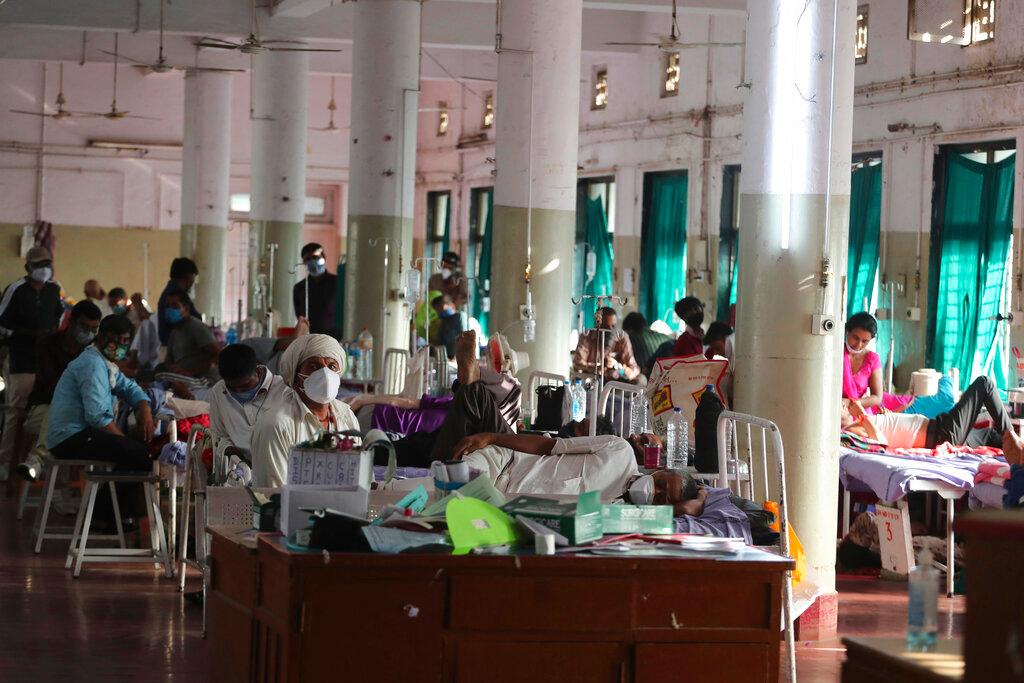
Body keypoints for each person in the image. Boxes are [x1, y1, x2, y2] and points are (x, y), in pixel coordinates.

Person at [452, 426, 707, 514]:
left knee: (453, 512)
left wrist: (699, 499)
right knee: (451, 486)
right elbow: (548, 445)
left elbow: (684, 510)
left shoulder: (619, 515)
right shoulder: (619, 451)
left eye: (662, 499)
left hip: (502, 505)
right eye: (661, 482)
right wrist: (492, 438)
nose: (655, 491)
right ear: (657, 470)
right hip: (503, 464)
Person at [46, 315, 154, 523]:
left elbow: (129, 387)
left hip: (82, 434)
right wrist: (123, 441)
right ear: (102, 337)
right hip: (70, 437)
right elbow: (97, 417)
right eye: (116, 341)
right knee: (138, 455)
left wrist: (144, 407)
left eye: (125, 342)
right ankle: (101, 515)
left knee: (137, 451)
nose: (120, 347)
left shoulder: (106, 363)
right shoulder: (92, 365)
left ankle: (114, 517)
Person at [250, 334, 360, 487]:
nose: (325, 374)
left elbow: (358, 479)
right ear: (294, 378)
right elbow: (273, 494)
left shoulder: (346, 416)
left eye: (331, 366)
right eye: (314, 367)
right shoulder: (276, 424)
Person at [17, 300, 103, 482]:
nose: (89, 333)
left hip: (77, 418)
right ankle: (59, 491)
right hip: (41, 410)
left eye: (94, 329)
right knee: (60, 411)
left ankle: (39, 458)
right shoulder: (48, 345)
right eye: (84, 327)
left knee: (67, 421)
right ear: (71, 322)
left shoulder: (94, 350)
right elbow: (54, 386)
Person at [0, 246, 65, 481]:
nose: (44, 269)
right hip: (21, 360)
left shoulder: (54, 289)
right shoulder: (16, 290)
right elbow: (2, 322)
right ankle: (6, 463)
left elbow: (59, 318)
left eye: (47, 264)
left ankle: (35, 460)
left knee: (46, 410)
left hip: (46, 362)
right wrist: (27, 334)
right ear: (28, 267)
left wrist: (49, 334)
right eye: (39, 265)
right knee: (15, 412)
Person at [842, 375, 1022, 450]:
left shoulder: (861, 422)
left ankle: (1018, 454)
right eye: (842, 407)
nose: (846, 405)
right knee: (984, 384)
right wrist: (862, 416)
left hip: (941, 430)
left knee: (990, 436)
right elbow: (880, 443)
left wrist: (888, 415)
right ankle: (1013, 441)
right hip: (940, 434)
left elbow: (893, 430)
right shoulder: (850, 431)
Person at [209, 344, 286, 465]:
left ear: (257, 370)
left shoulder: (284, 390)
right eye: (232, 388)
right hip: (240, 470)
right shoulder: (219, 391)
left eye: (245, 385)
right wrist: (234, 455)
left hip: (279, 466)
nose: (239, 391)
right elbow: (219, 436)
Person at [843, 311, 911, 414]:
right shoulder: (833, 353)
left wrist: (850, 403)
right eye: (855, 338)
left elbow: (877, 397)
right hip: (835, 409)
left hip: (859, 412)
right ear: (847, 331)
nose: (858, 344)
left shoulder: (872, 359)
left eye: (865, 341)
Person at [161, 290, 220, 388]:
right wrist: (172, 368)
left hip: (202, 380)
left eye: (174, 306)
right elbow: (168, 361)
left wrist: (190, 372)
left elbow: (217, 354)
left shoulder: (196, 327)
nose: (169, 309)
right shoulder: (174, 332)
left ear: (186, 308)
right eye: (168, 306)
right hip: (184, 379)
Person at [571, 307, 640, 382]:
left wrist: (621, 368)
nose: (610, 330)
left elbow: (634, 368)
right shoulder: (586, 336)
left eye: (613, 326)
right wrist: (598, 367)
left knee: (640, 380)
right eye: (606, 326)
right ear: (597, 324)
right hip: (592, 381)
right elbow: (577, 364)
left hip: (615, 383)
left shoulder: (622, 338)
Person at [293, 242, 338, 337]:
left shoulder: (337, 283)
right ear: (304, 262)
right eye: (308, 259)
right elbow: (299, 315)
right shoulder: (300, 288)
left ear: (324, 257)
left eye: (315, 257)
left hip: (334, 337)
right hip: (309, 337)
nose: (312, 261)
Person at [158, 257, 200, 344]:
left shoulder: (168, 292)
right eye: (193, 277)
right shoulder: (176, 294)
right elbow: (194, 320)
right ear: (189, 276)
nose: (193, 282)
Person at [622, 312, 673, 379]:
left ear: (628, 329)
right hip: (668, 379)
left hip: (646, 381)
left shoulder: (630, 338)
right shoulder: (666, 338)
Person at [429, 294, 463, 359]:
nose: (438, 312)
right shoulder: (445, 321)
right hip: (445, 355)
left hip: (449, 355)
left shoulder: (453, 321)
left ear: (444, 306)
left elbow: (446, 340)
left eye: (437, 309)